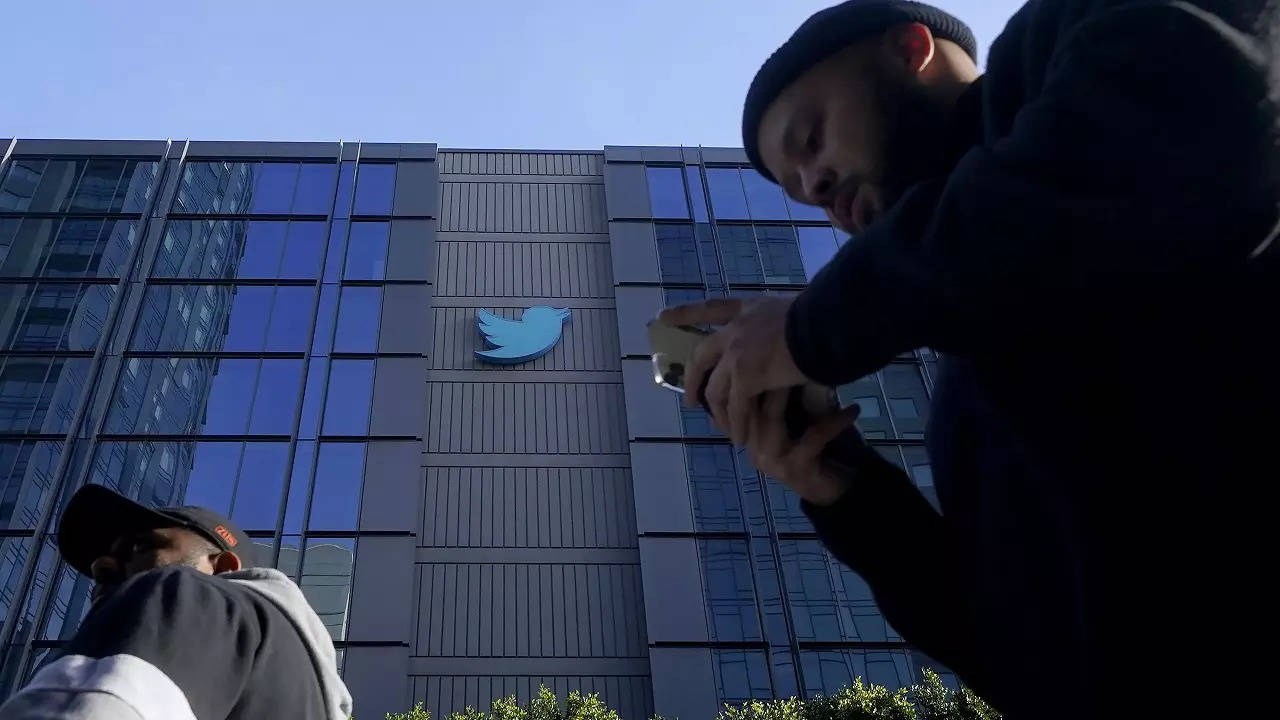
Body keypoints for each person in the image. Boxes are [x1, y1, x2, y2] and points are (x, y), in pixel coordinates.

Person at [659, 0, 1278, 717]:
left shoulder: (1073, 38)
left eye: (812, 139)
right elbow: (1022, 659)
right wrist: (850, 493)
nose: (818, 190)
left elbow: (1197, 117)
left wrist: (807, 329)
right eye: (801, 193)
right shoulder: (964, 399)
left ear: (912, 47)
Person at [0, 485, 353, 720]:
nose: (100, 566)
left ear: (223, 567)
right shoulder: (303, 689)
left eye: (141, 547)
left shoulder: (183, 591)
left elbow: (95, 708)